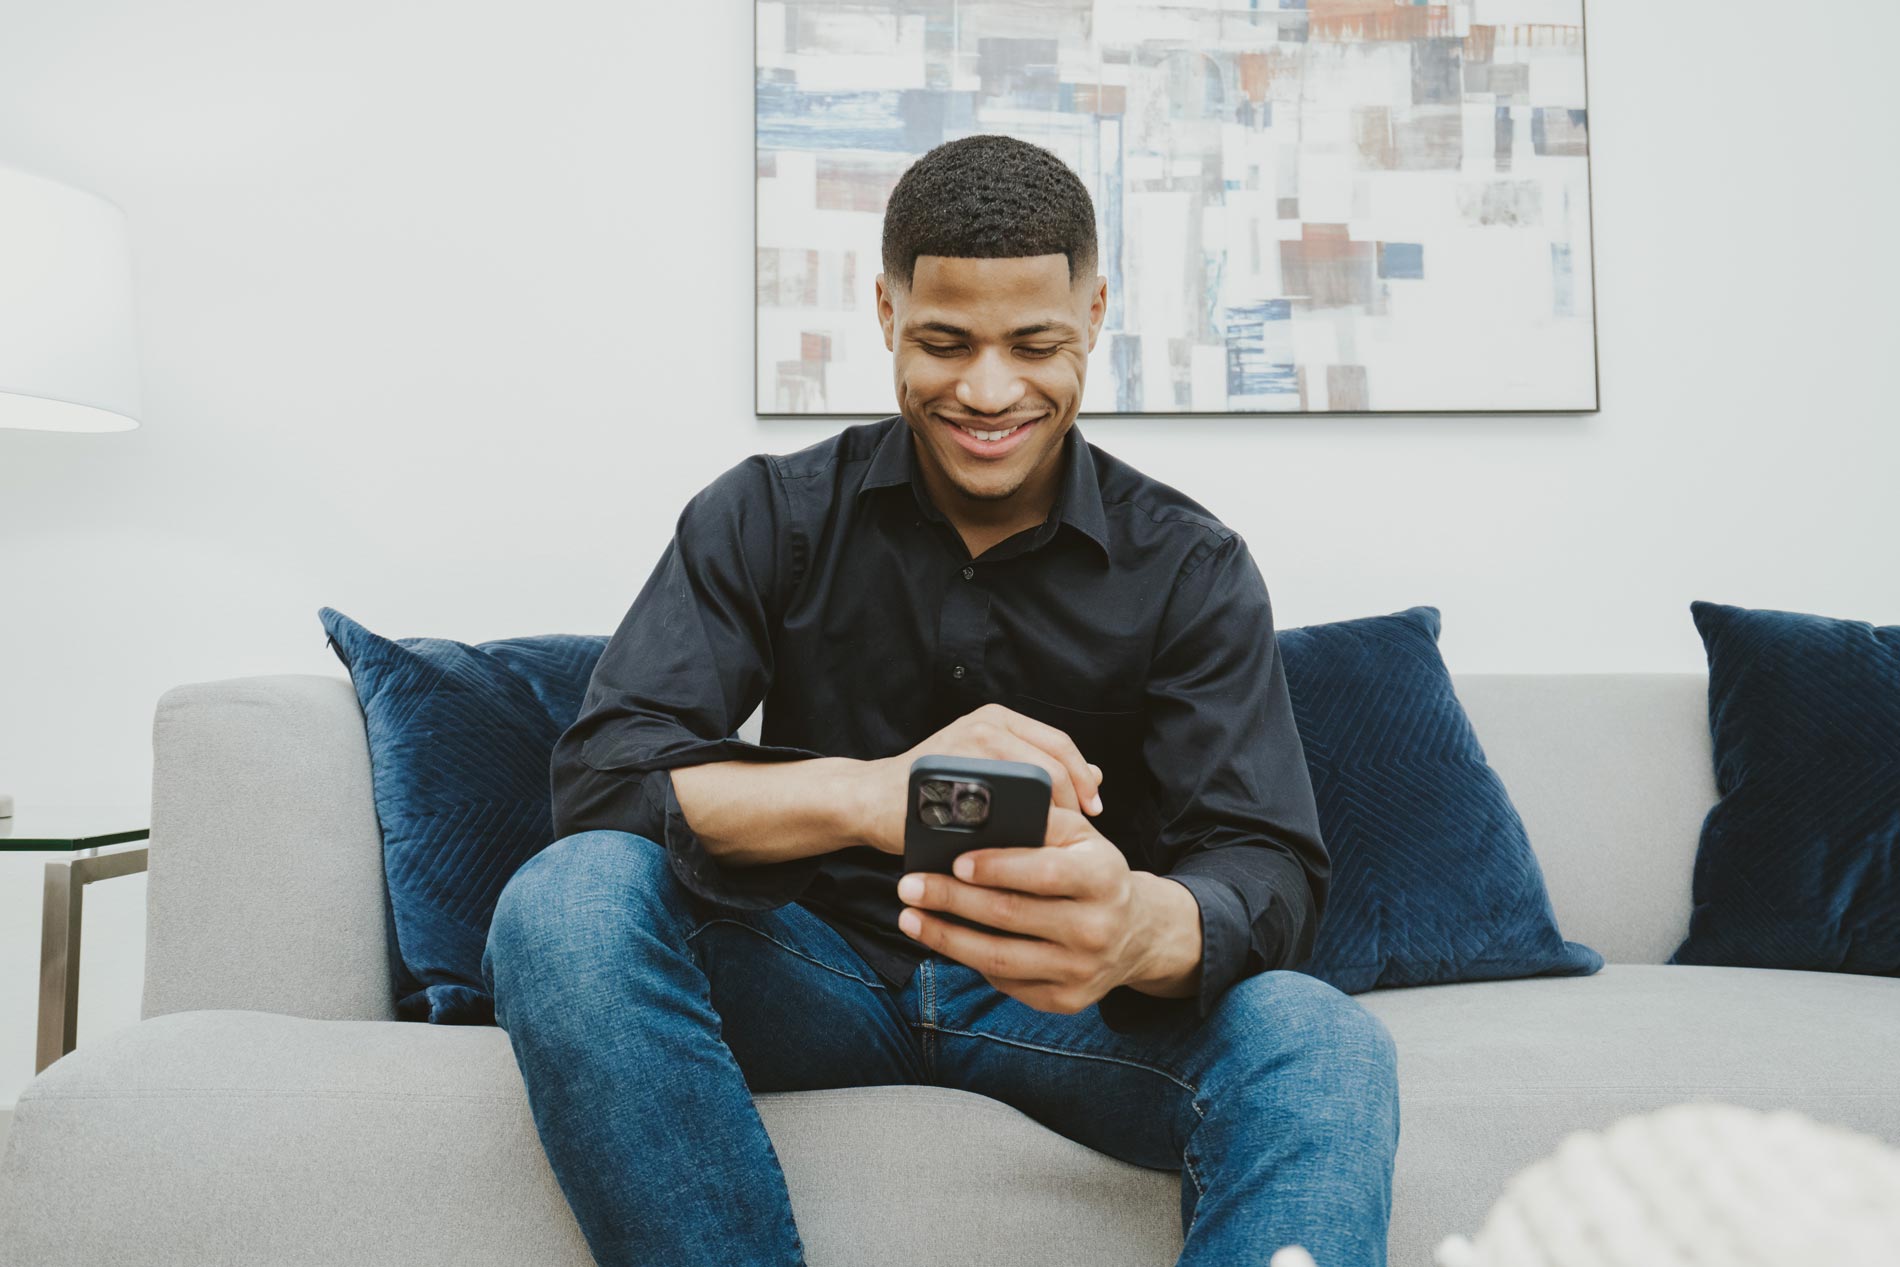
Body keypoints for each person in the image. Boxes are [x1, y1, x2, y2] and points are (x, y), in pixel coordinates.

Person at [482, 133, 1400, 1267]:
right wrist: (871, 795)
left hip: (1068, 1008)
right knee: (565, 898)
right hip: (805, 974)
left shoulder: (1191, 566)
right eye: (945, 341)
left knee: (1317, 1036)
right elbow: (605, 773)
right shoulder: (766, 515)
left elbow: (1267, 865)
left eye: (1035, 343)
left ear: (1096, 312)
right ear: (884, 312)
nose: (989, 390)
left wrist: (1133, 930)